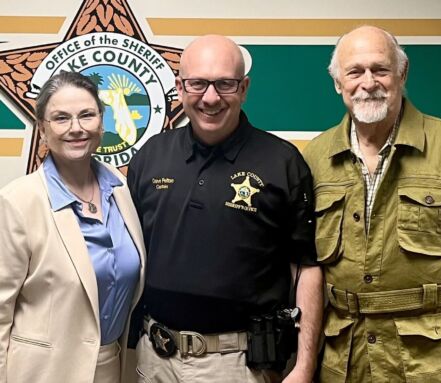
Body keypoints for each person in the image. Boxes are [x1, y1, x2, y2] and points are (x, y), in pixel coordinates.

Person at [303, 25, 441, 382]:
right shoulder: (315, 157)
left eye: (380, 69)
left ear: (402, 73)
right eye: (355, 72)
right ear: (337, 83)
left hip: (437, 361)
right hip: (345, 362)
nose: (368, 82)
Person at [127, 35, 323, 383]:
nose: (211, 97)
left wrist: (305, 366)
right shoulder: (150, 157)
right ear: (180, 87)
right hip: (156, 357)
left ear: (244, 88)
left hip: (241, 364)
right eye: (198, 84)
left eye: (225, 84)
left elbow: (307, 268)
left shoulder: (283, 162)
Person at [0, 71, 146, 383]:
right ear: (42, 129)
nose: (76, 128)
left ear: (102, 122)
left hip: (112, 367)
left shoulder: (120, 187)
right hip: (42, 374)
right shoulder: (17, 202)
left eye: (86, 115)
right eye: (61, 118)